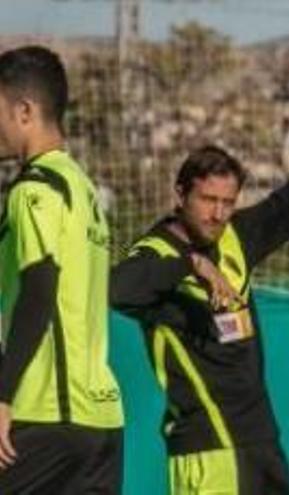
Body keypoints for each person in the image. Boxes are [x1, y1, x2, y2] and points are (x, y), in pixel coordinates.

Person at [110, 122, 289, 494]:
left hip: (261, 441)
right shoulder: (156, 253)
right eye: (207, 200)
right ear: (180, 194)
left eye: (227, 203)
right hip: (210, 446)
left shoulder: (234, 236)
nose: (217, 214)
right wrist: (193, 264)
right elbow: (115, 288)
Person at [0, 45, 124, 493]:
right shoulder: (83, 189)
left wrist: (3, 396)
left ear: (25, 111)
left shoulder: (32, 190)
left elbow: (39, 287)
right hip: (101, 419)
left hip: (45, 413)